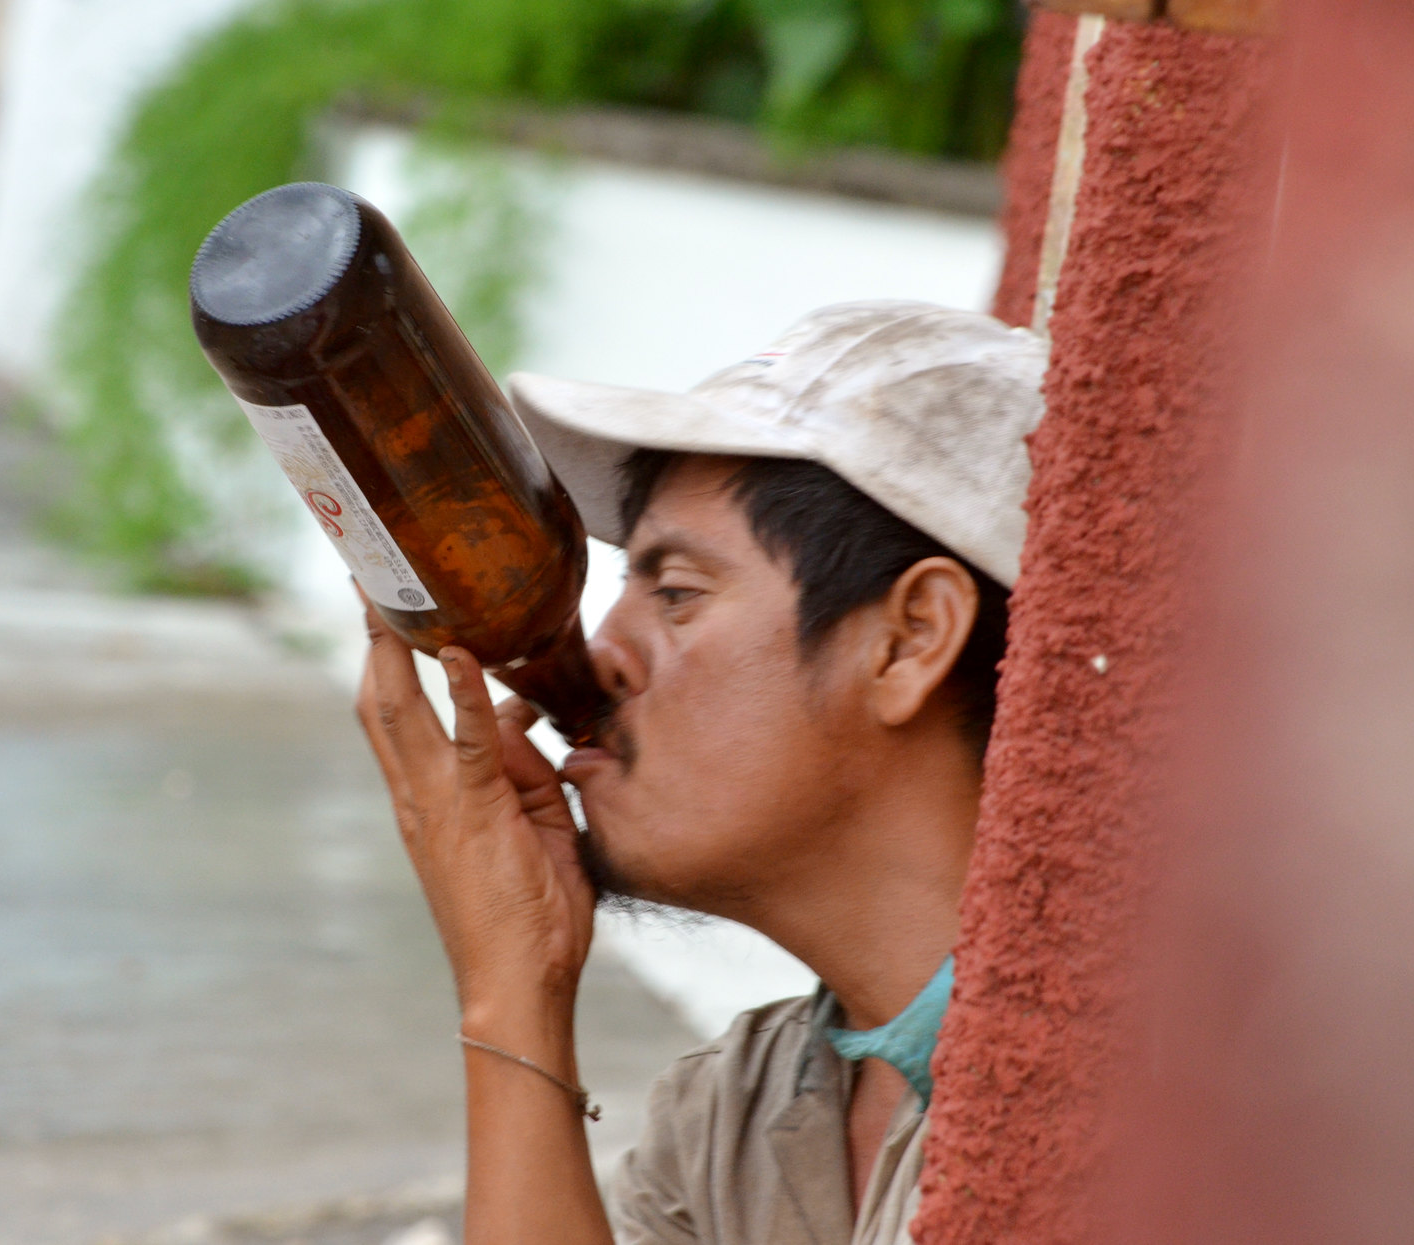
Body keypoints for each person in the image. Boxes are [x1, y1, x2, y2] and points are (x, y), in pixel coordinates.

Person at [354, 301, 1047, 1244]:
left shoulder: (1130, 1093)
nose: (603, 652)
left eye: (677, 593)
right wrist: (513, 984)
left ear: (908, 640)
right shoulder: (733, 1116)